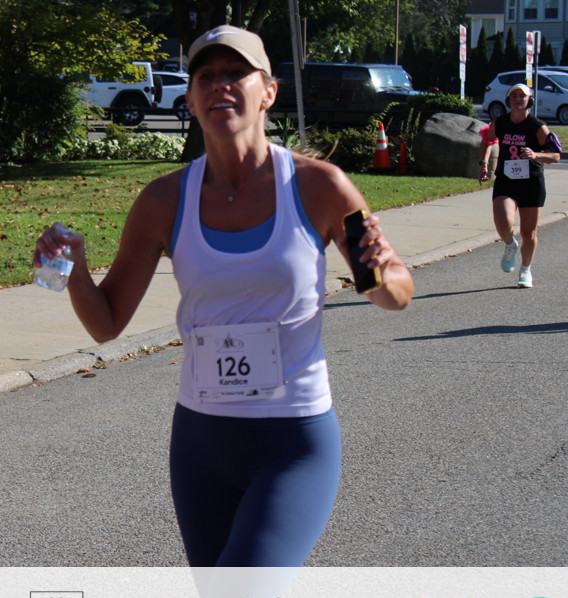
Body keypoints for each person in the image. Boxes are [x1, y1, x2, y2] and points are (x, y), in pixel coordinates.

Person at [34, 25, 413, 568]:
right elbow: (106, 323)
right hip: (201, 445)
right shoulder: (164, 200)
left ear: (269, 91)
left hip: (292, 442)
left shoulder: (321, 187)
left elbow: (395, 289)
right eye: (206, 76)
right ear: (190, 99)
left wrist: (379, 279)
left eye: (237, 73)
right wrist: (73, 270)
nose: (221, 85)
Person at [479, 83, 561, 288]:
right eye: (514, 96)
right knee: (503, 222)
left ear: (529, 100)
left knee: (528, 232)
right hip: (506, 180)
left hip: (532, 182)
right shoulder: (500, 122)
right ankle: (510, 245)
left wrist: (536, 155)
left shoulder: (537, 126)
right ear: (509, 100)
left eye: (522, 96)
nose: (518, 99)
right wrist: (484, 164)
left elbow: (555, 156)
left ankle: (525, 270)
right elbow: (487, 140)